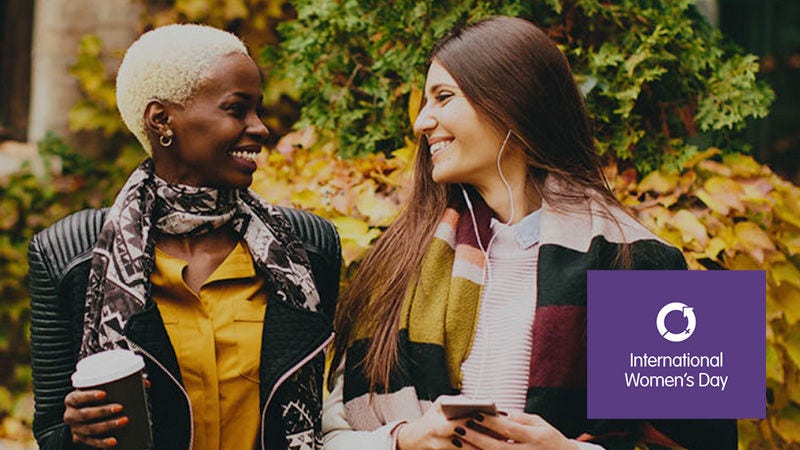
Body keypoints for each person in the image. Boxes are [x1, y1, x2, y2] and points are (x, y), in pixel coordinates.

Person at [322, 16, 737, 450]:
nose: (422, 122)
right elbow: (321, 439)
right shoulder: (395, 260)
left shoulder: (646, 259)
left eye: (443, 97)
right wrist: (405, 440)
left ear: (510, 101)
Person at [28, 24, 340, 450]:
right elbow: (51, 433)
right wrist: (81, 434)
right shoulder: (68, 256)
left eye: (257, 109)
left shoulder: (306, 249)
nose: (261, 128)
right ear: (162, 120)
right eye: (237, 109)